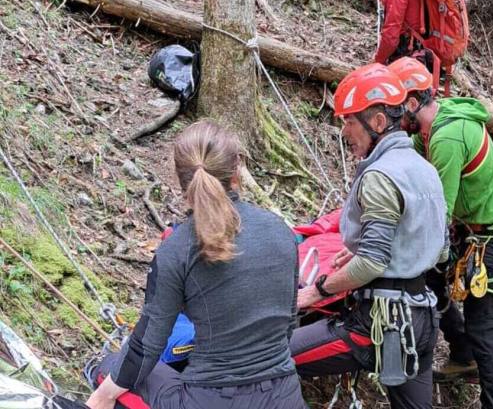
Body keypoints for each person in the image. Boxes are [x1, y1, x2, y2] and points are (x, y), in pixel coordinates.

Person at [86, 121, 305, 409]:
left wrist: (102, 395)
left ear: (180, 180)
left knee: (106, 368)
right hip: (285, 396)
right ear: (237, 170)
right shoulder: (280, 231)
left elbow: (147, 345)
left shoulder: (176, 249)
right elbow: (289, 322)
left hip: (211, 399)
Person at [290, 63, 448, 409]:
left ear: (378, 122)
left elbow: (373, 261)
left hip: (377, 323)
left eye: (349, 121)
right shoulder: (425, 170)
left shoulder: (381, 175)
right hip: (421, 320)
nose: (344, 131)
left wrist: (315, 292)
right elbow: (438, 251)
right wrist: (368, 252)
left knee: (276, 358)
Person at [390, 57, 493, 409]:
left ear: (411, 103)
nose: (391, 118)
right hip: (471, 231)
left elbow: (440, 211)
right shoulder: (427, 130)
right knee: (433, 286)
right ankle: (463, 356)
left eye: (394, 108)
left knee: (484, 324)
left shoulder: (447, 137)